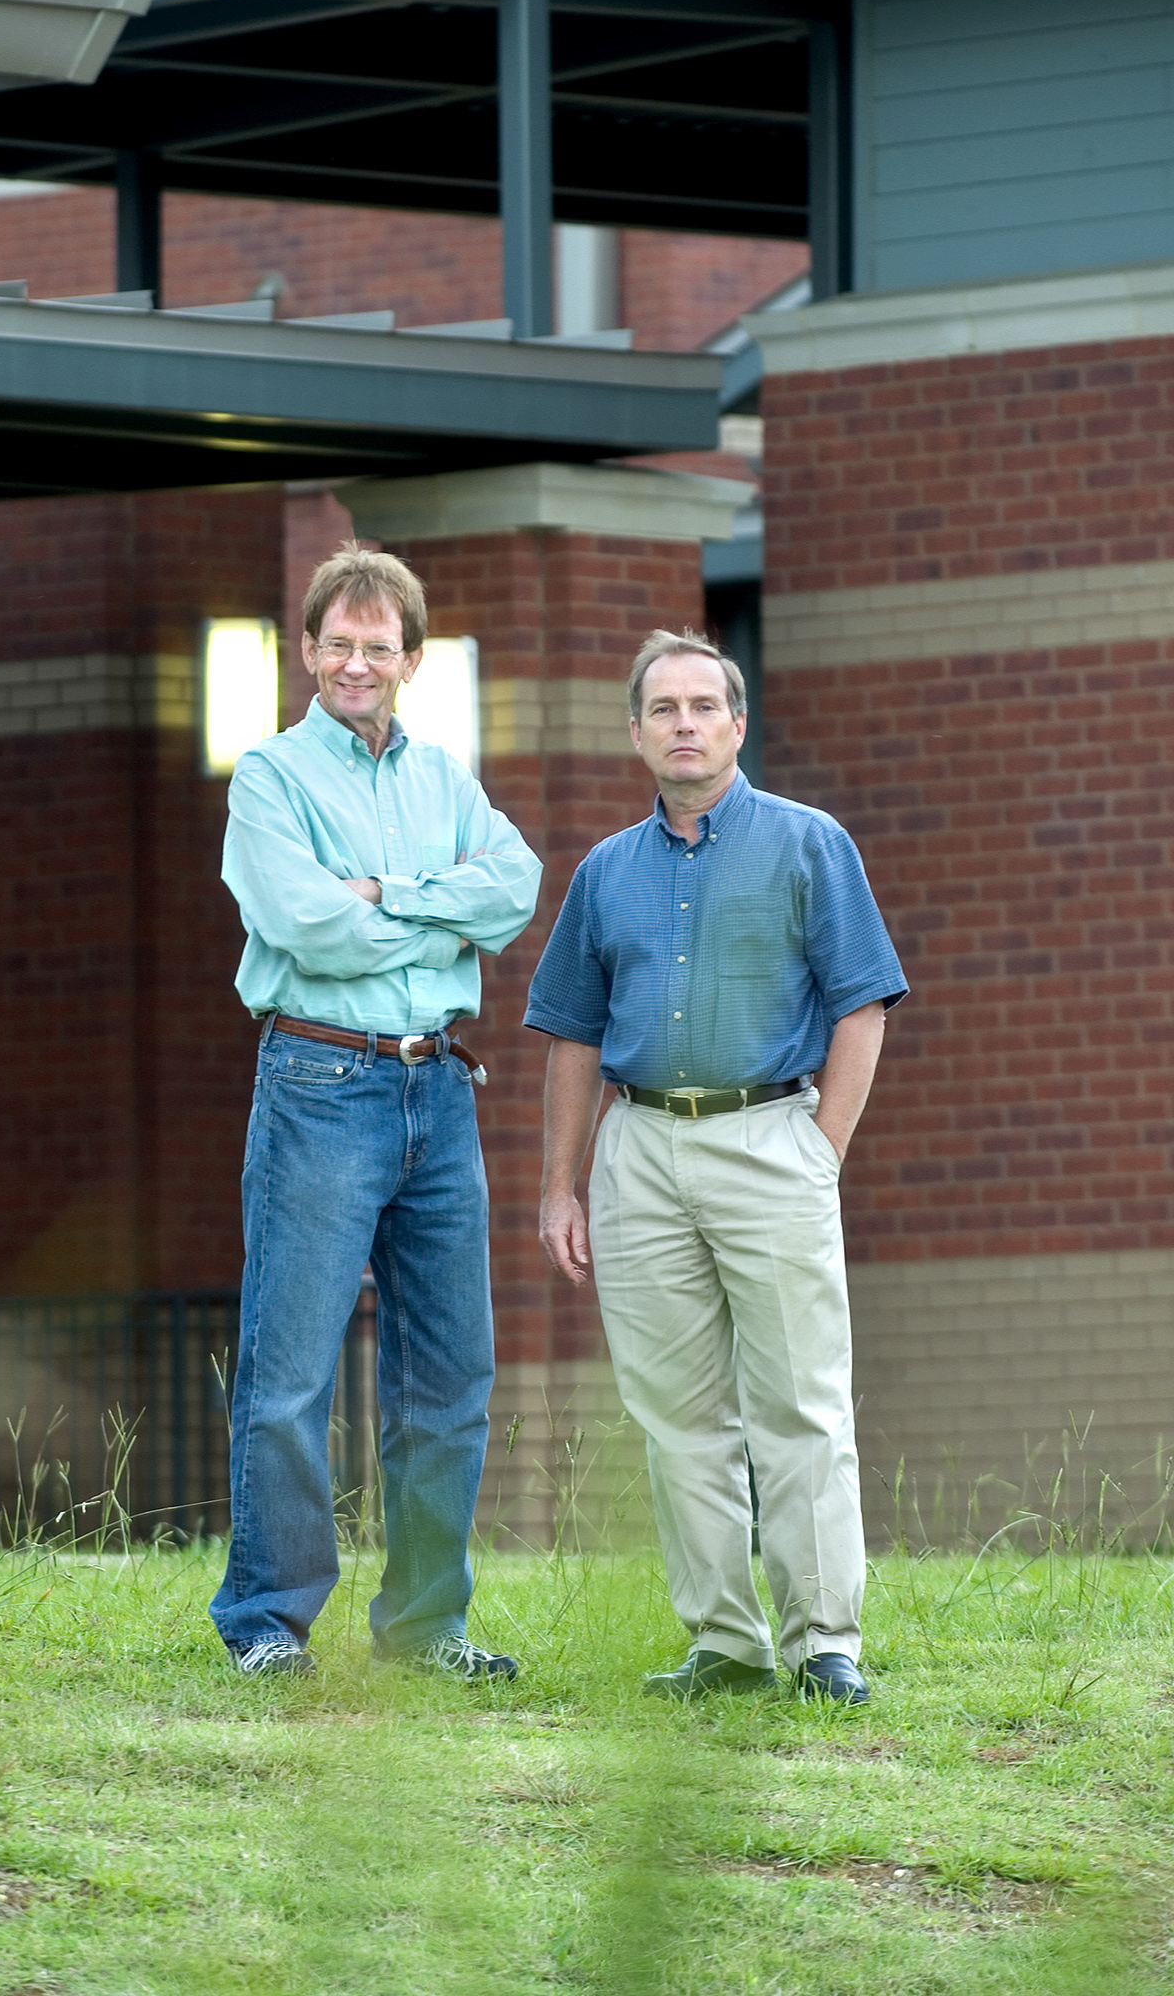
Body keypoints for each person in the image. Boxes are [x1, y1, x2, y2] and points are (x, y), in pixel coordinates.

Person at [527, 628, 906, 1704]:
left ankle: (824, 1641)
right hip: (637, 1151)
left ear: (737, 725)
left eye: (705, 706)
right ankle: (725, 1644)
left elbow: (863, 1003)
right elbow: (571, 1035)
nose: (684, 724)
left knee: (800, 1404)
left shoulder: (807, 843)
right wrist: (562, 1183)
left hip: (768, 1136)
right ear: (635, 732)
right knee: (676, 1419)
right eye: (664, 709)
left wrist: (814, 1150)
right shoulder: (604, 873)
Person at [210, 545, 542, 1680]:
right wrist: (438, 919)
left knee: (451, 1376)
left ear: (410, 657)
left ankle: (425, 1628)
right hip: (319, 1083)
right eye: (338, 642)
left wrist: (390, 895)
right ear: (309, 650)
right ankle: (268, 1622)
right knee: (292, 1371)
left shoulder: (447, 777)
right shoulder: (268, 776)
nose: (358, 661)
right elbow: (304, 923)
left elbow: (514, 886)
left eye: (379, 645)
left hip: (439, 1088)